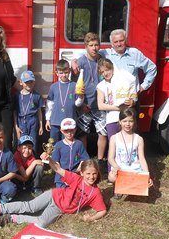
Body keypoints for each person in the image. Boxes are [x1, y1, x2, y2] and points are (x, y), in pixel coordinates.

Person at [0, 157, 107, 228]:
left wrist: (91, 218)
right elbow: (58, 169)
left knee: (41, 223)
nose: (91, 177)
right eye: (88, 174)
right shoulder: (76, 178)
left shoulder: (95, 193)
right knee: (30, 207)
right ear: (82, 173)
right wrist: (49, 159)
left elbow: (102, 210)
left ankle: (11, 218)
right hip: (53, 195)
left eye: (94, 174)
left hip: (60, 209)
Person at [72, 29, 157, 95]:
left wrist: (142, 87)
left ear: (125, 40)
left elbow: (152, 68)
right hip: (113, 98)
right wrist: (74, 60)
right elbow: (90, 52)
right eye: (116, 42)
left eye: (121, 40)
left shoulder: (135, 53)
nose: (119, 44)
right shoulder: (106, 53)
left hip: (131, 98)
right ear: (112, 43)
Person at [96, 58, 137, 171]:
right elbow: (100, 105)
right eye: (102, 72)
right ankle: (112, 171)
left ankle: (128, 169)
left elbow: (133, 96)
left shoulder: (122, 82)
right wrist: (117, 108)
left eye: (107, 70)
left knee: (126, 144)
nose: (105, 73)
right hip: (112, 119)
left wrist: (132, 101)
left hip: (125, 119)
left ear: (113, 69)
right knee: (113, 145)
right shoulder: (101, 86)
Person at [74, 32, 107, 161]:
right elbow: (75, 85)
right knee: (82, 134)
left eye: (97, 45)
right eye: (91, 45)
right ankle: (84, 160)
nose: (94, 48)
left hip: (100, 104)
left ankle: (100, 160)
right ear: (86, 46)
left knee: (103, 133)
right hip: (85, 105)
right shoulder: (81, 62)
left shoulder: (102, 61)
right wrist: (81, 104)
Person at [107, 107, 153, 188]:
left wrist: (147, 174)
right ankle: (120, 187)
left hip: (134, 168)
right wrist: (116, 166)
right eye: (124, 121)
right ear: (120, 122)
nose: (127, 124)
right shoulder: (114, 138)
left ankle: (130, 185)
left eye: (130, 121)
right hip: (120, 168)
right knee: (112, 177)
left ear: (134, 122)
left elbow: (142, 159)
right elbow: (110, 158)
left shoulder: (139, 139)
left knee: (145, 181)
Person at [45, 59, 83, 142]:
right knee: (53, 144)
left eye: (66, 72)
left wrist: (81, 96)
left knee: (67, 143)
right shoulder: (53, 86)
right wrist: (48, 119)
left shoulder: (74, 85)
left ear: (69, 71)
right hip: (55, 121)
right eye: (61, 73)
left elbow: (77, 104)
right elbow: (49, 104)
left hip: (69, 121)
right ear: (57, 73)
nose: (64, 75)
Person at [51, 118, 89, 188]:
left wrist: (79, 169)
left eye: (71, 130)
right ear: (61, 131)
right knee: (62, 195)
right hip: (61, 177)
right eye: (66, 131)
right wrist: (62, 173)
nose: (69, 133)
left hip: (76, 175)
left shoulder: (79, 144)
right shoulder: (58, 145)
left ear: (75, 129)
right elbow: (55, 162)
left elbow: (84, 159)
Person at [13, 70, 44, 152]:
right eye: (27, 82)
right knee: (22, 142)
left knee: (33, 142)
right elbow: (15, 112)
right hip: (21, 122)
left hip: (33, 121)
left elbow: (39, 111)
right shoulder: (17, 96)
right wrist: (16, 127)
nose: (29, 84)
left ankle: (32, 161)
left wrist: (41, 125)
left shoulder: (36, 96)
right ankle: (22, 162)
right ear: (21, 82)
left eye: (31, 82)